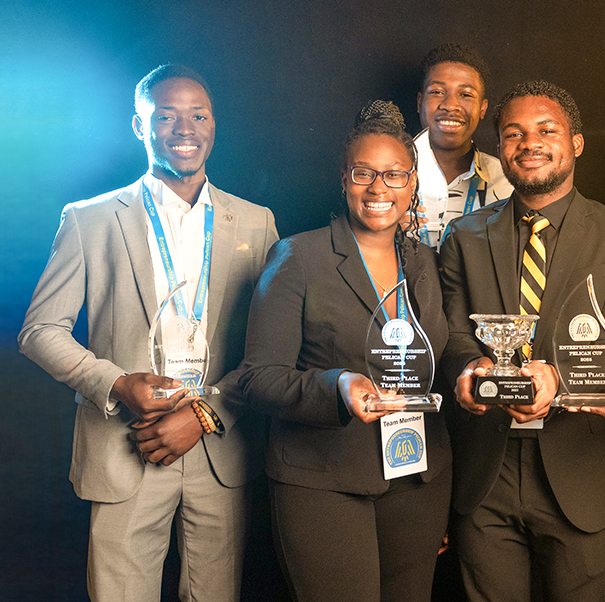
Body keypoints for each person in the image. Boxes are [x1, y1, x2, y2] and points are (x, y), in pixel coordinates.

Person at [18, 64, 278, 601]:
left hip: (218, 447)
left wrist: (204, 414)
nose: (185, 129)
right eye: (166, 116)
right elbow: (40, 329)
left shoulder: (257, 223)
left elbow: (269, 348)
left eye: (199, 115)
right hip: (125, 445)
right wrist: (116, 384)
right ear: (140, 126)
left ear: (214, 123)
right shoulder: (89, 220)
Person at [439, 80, 605, 601]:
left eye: (546, 130)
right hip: (486, 470)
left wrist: (557, 376)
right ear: (499, 148)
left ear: (576, 142)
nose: (529, 143)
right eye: (514, 133)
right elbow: (453, 334)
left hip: (581, 466)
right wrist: (469, 370)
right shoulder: (463, 237)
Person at [239, 101, 452, 601]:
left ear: (412, 183)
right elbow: (257, 377)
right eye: (364, 173)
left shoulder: (427, 262)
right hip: (323, 479)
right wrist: (337, 384)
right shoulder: (298, 256)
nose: (379, 188)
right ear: (343, 179)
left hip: (418, 479)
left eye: (394, 174)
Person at [414, 43, 512, 249]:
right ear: (419, 102)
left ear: (482, 108)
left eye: (466, 94)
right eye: (437, 92)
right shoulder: (383, 178)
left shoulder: (507, 183)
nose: (450, 105)